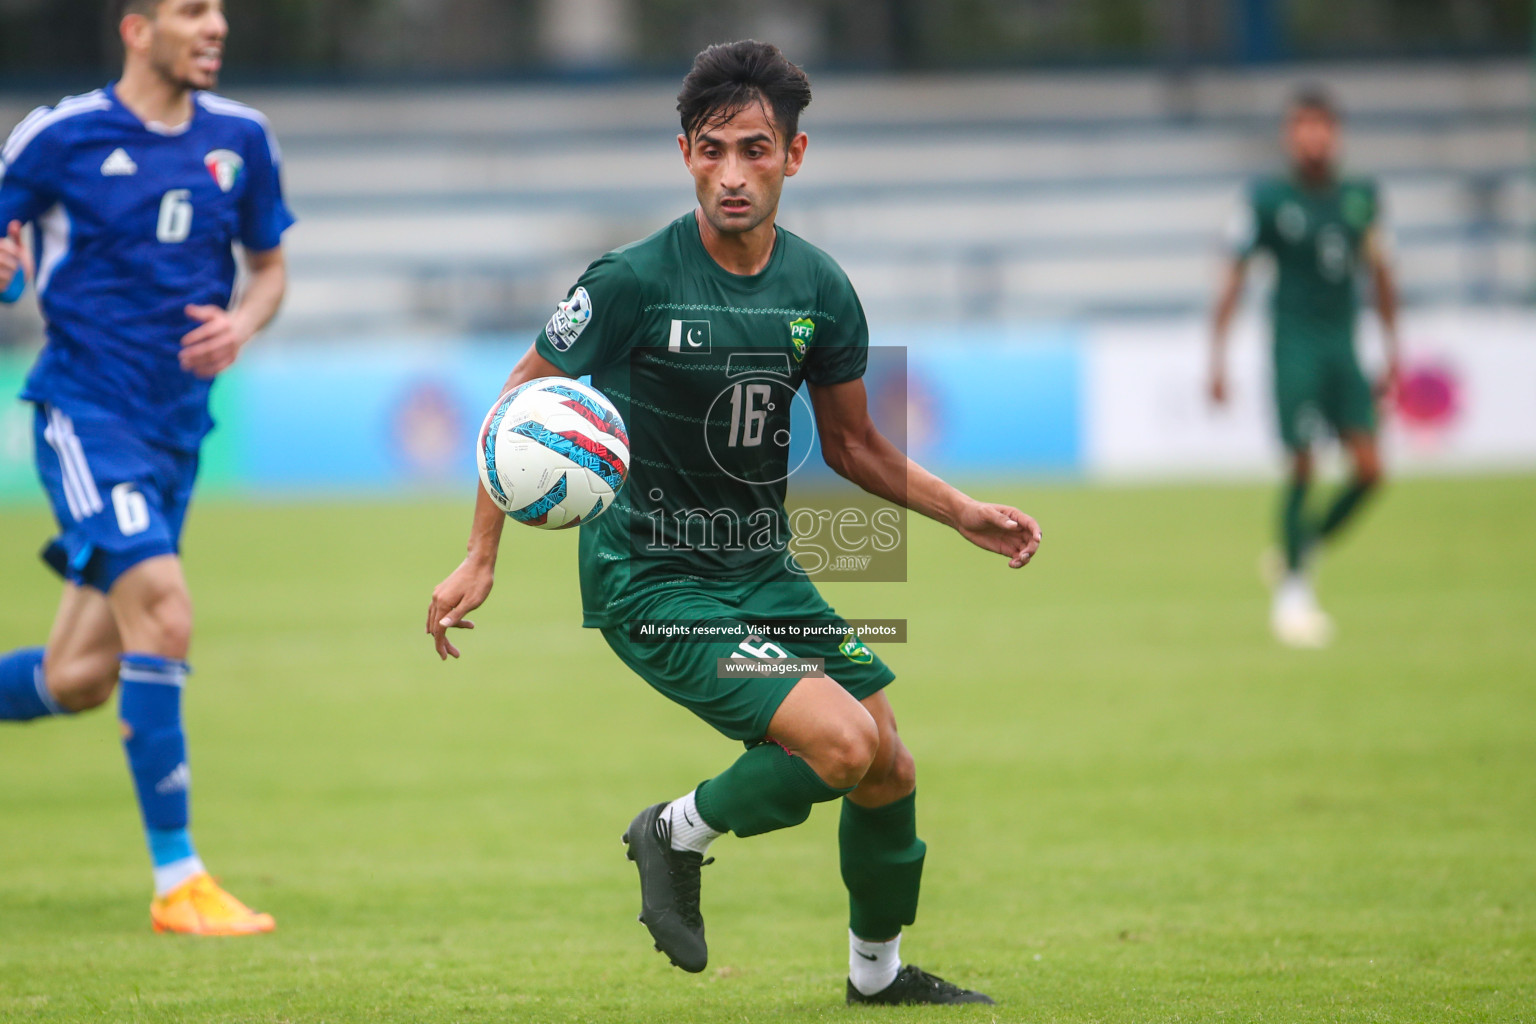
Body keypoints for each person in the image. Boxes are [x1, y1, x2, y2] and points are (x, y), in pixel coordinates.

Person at [426, 40, 1041, 1006]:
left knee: (890, 767)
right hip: (652, 580)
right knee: (842, 747)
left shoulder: (819, 288)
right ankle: (674, 831)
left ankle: (874, 979)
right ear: (684, 155)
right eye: (712, 151)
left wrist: (962, 513)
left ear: (795, 156)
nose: (732, 174)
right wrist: (480, 554)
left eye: (755, 151)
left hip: (760, 567)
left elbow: (854, 448)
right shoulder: (630, 279)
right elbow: (521, 401)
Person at [0, 0, 292, 934]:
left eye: (219, 13)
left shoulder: (242, 137)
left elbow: (271, 267)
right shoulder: (60, 136)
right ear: (136, 27)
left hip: (176, 433)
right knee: (164, 613)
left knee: (80, 675)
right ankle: (179, 882)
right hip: (85, 415)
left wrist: (240, 324)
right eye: (192, 11)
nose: (216, 27)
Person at [1209, 86, 1398, 648]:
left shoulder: (1362, 196)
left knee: (1370, 470)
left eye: (1321, 126)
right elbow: (1233, 277)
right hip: (1293, 346)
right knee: (1303, 466)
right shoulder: (1266, 200)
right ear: (1290, 135)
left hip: (1344, 346)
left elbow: (1382, 274)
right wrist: (1216, 356)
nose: (1312, 137)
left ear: (1335, 133)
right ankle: (1292, 594)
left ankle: (1302, 545)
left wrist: (1392, 348)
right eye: (1301, 127)